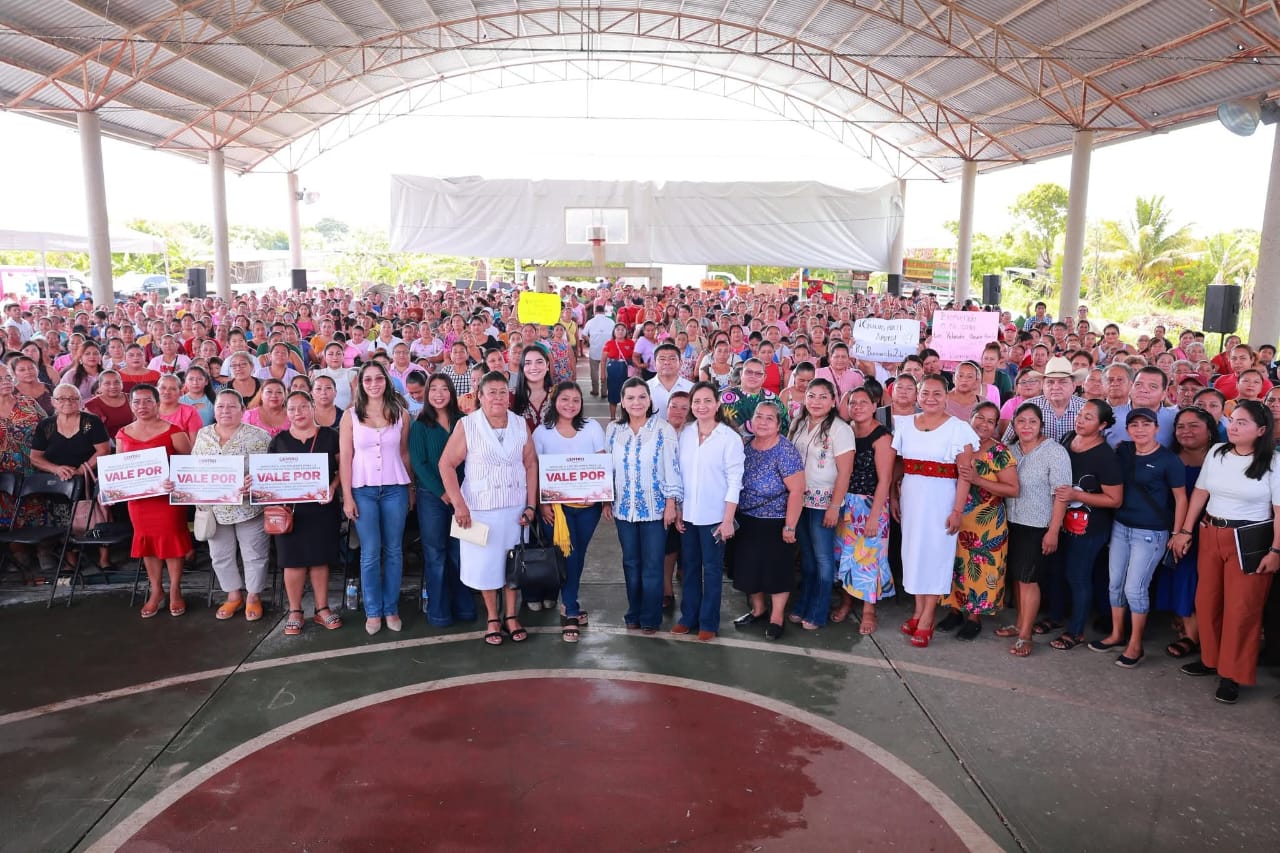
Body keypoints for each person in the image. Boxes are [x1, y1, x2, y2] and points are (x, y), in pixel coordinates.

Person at [1178, 399, 1280, 704]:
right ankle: (1211, 660)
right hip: (1211, 533)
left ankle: (1232, 674)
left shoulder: (1273, 463)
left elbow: (1279, 509)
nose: (1233, 426)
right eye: (1232, 420)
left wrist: (1276, 550)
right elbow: (1200, 492)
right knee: (1207, 603)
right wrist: (1185, 530)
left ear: (1261, 430)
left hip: (1249, 541)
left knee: (1241, 610)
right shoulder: (1217, 452)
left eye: (1243, 422)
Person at [438, 371, 539, 646]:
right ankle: (493, 617)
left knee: (512, 565)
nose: (497, 397)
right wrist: (459, 504)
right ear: (479, 396)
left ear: (509, 395)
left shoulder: (520, 424)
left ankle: (510, 615)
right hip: (478, 510)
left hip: (515, 508)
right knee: (486, 567)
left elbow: (530, 465)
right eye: (491, 392)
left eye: (502, 391)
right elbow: (446, 464)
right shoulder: (468, 425)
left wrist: (531, 505)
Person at [1086, 407, 1187, 666]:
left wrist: (1177, 533)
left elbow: (1180, 498)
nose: (1140, 429)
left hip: (1151, 533)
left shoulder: (1168, 460)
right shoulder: (1124, 451)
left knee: (1135, 589)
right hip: (1121, 527)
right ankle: (1117, 634)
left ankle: (1136, 644)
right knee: (1115, 584)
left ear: (1157, 428)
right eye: (1135, 425)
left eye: (1146, 424)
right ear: (1128, 429)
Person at [891, 375, 979, 648]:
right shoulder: (905, 424)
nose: (930, 398)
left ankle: (928, 616)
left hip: (941, 499)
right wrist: (894, 496)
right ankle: (917, 610)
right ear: (918, 395)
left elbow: (965, 475)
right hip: (912, 498)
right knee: (914, 554)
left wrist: (957, 510)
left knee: (935, 555)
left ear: (946, 396)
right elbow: (899, 466)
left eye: (937, 393)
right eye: (925, 392)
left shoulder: (959, 428)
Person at [339, 361, 414, 636]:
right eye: (367, 379)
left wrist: (411, 488)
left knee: (394, 551)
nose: (373, 384)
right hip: (363, 490)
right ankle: (373, 611)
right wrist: (347, 496)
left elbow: (404, 453)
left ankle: (390, 608)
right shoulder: (350, 417)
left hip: (395, 488)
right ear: (360, 384)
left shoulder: (402, 414)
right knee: (370, 553)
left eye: (378, 379)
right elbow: (346, 458)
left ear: (387, 381)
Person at [935, 401, 1019, 639]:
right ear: (970, 418)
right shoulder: (957, 445)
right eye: (980, 417)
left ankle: (974, 617)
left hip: (986, 524)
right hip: (956, 518)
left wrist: (977, 479)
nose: (984, 424)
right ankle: (954, 610)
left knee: (980, 570)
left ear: (995, 426)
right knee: (956, 566)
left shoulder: (999, 452)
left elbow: (1013, 489)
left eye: (991, 421)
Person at [605, 377, 683, 634]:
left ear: (649, 400)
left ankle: (650, 617)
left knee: (652, 564)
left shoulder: (663, 429)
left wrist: (671, 503)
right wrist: (606, 498)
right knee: (630, 563)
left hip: (655, 509)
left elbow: (672, 469)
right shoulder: (613, 430)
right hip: (623, 509)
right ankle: (633, 612)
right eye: (630, 398)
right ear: (623, 402)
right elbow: (608, 469)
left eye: (641, 397)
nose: (636, 402)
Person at [995, 402, 1072, 657]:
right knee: (1018, 577)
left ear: (1041, 425)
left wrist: (1053, 530)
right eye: (1021, 421)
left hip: (1038, 525)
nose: (1026, 426)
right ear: (1013, 425)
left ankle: (1026, 635)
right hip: (1011, 521)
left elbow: (1061, 495)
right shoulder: (1010, 450)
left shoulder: (1055, 452)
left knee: (1029, 580)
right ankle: (1019, 623)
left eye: (1032, 422)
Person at [190, 389, 273, 622]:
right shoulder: (204, 434)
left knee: (254, 554)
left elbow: (270, 471)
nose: (225, 411)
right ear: (214, 410)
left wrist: (255, 479)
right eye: (220, 406)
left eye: (231, 406)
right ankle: (233, 594)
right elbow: (194, 469)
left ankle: (254, 596)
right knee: (219, 555)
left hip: (248, 508)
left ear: (242, 410)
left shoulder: (259, 436)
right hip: (215, 509)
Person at [533, 381, 606, 641]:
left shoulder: (592, 428)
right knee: (568, 555)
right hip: (556, 508)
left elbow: (601, 463)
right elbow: (536, 470)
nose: (570, 405)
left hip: (588, 507)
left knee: (579, 553)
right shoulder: (542, 432)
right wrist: (541, 503)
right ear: (555, 401)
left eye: (576, 400)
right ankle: (571, 609)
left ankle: (569, 600)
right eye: (565, 399)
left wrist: (604, 499)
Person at [1048, 400, 1123, 651]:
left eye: (1088, 417)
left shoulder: (1106, 456)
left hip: (1090, 528)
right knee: (1056, 571)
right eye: (1080, 414)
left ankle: (1077, 631)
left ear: (1102, 425)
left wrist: (1077, 496)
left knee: (1077, 577)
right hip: (1061, 521)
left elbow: (1114, 499)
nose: (1080, 420)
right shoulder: (1069, 438)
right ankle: (1056, 616)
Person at [674, 382, 743, 641]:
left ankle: (708, 623)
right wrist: (679, 510)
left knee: (712, 570)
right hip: (689, 516)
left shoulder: (729, 438)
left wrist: (727, 521)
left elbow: (735, 481)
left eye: (707, 401)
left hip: (715, 517)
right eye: (697, 401)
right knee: (689, 568)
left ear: (717, 404)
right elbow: (679, 475)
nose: (701, 406)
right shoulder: (686, 433)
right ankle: (688, 617)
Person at [270, 391, 343, 636]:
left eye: (303, 407)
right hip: (290, 511)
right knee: (292, 560)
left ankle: (322, 608)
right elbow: (267, 475)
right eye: (292, 409)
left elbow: (344, 467)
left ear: (313, 408)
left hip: (322, 508)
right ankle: (295, 610)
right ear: (286, 412)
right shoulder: (279, 440)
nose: (298, 413)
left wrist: (333, 487)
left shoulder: (330, 436)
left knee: (320, 558)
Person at [116, 384, 193, 618]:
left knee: (172, 542)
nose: (142, 406)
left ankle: (175, 590)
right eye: (137, 401)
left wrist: (174, 480)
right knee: (146, 542)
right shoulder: (123, 433)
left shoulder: (175, 431)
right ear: (131, 405)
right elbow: (119, 468)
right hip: (139, 501)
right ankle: (156, 589)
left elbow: (188, 466)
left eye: (148, 400)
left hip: (166, 498)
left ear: (157, 403)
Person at [730, 400, 804, 640]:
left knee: (776, 571)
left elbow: (797, 491)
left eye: (769, 418)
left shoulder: (785, 450)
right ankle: (759, 609)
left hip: (776, 521)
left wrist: (790, 526)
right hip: (746, 519)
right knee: (750, 568)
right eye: (759, 416)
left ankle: (777, 617)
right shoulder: (746, 445)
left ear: (779, 423)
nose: (762, 422)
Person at [408, 374, 476, 628]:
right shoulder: (420, 425)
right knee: (435, 554)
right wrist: (443, 492)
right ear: (426, 394)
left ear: (451, 392)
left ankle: (465, 606)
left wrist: (458, 494)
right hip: (433, 498)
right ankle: (439, 611)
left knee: (460, 552)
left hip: (464, 496)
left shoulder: (465, 421)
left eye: (444, 389)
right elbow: (419, 464)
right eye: (433, 389)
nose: (438, 394)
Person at [787, 378, 854, 630]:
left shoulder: (840, 429)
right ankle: (804, 603)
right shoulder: (798, 423)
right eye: (811, 396)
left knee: (824, 558)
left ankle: (818, 610)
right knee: (807, 557)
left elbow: (845, 472)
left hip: (824, 501)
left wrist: (835, 506)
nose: (816, 402)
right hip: (799, 500)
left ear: (833, 400)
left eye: (823, 396)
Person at [29, 384, 111, 574]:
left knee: (99, 518)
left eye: (73, 398)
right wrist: (56, 469)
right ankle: (71, 561)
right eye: (62, 398)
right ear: (53, 402)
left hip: (89, 479)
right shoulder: (46, 425)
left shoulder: (91, 422)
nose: (68, 402)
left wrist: (82, 470)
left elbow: (103, 450)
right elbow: (35, 457)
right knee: (64, 522)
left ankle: (104, 560)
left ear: (80, 401)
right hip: (60, 483)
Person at [833, 386, 895, 633]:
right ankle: (847, 600)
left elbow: (885, 479)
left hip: (871, 503)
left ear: (874, 406)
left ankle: (869, 610)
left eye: (862, 402)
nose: (857, 407)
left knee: (870, 557)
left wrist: (874, 516)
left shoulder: (882, 437)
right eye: (852, 402)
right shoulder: (845, 432)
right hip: (845, 502)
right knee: (845, 554)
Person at [1159, 407, 1217, 660]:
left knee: (1191, 578)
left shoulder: (1221, 458)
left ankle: (1193, 636)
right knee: (1176, 575)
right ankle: (1187, 629)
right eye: (1181, 426)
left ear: (1210, 430)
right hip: (1170, 527)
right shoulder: (1168, 457)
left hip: (1207, 530)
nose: (1186, 431)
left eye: (1194, 426)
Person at [511, 344, 553, 434]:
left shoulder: (559, 395)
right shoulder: (509, 397)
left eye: (539, 362)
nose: (534, 367)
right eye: (528, 363)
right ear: (522, 367)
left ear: (547, 365)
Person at [84, 370, 134, 441]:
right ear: (100, 386)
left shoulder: (132, 399)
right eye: (107, 383)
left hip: (134, 439)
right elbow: (86, 430)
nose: (113, 386)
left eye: (117, 382)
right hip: (105, 444)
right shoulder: (92, 405)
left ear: (122, 383)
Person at [647, 342, 693, 419]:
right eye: (662, 359)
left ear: (681, 363)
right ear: (654, 364)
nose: (667, 362)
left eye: (672, 359)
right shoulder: (645, 389)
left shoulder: (691, 388)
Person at [601, 323, 634, 420]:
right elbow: (603, 360)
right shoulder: (609, 343)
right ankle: (612, 417)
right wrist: (602, 374)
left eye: (622, 329)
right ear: (614, 332)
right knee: (613, 394)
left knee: (627, 393)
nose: (620, 331)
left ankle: (626, 417)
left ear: (626, 331)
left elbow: (636, 358)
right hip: (613, 370)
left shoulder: (631, 343)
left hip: (627, 370)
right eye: (618, 329)